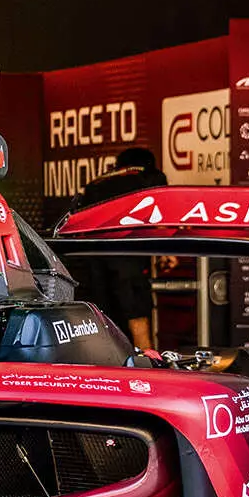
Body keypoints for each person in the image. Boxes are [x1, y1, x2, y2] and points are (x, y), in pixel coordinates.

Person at [70, 147, 165, 349]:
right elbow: (161, 213)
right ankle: (147, 369)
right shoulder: (150, 177)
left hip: (93, 262)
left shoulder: (96, 183)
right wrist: (166, 253)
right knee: (137, 319)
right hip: (128, 258)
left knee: (103, 324)